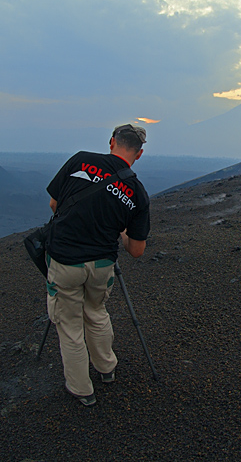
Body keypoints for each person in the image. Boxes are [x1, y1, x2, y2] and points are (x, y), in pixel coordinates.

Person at [45, 123, 150, 406]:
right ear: (138, 154)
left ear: (111, 142)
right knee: (96, 310)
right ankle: (107, 369)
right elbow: (136, 251)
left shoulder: (81, 160)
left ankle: (81, 389)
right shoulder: (137, 192)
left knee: (69, 323)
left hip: (65, 259)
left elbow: (55, 204)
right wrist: (120, 229)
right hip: (102, 264)